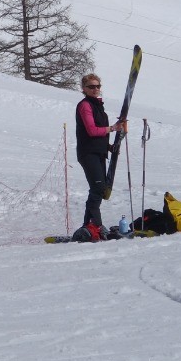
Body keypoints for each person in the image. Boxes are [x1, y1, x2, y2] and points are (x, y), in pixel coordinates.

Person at [74, 73, 125, 241]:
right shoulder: (85, 105)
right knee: (97, 189)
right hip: (88, 153)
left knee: (99, 190)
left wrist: (110, 146)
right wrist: (113, 128)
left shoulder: (98, 105)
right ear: (84, 89)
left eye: (97, 86)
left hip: (98, 152)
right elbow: (91, 130)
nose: (95, 89)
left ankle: (88, 227)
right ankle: (96, 225)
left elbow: (100, 133)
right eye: (91, 87)